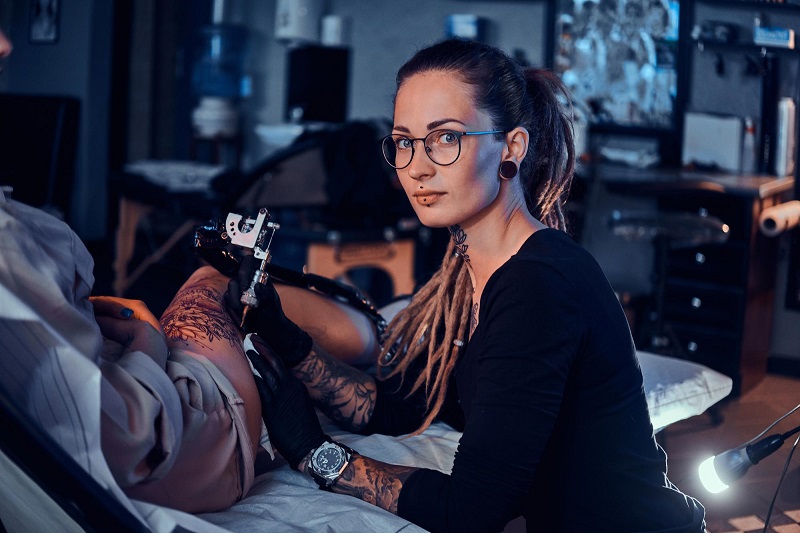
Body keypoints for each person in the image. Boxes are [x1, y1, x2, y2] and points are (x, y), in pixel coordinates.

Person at [233, 38, 706, 532]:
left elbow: (470, 514)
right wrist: (287, 339)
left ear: (511, 147)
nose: (416, 167)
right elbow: (402, 405)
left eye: (445, 138)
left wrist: (319, 455)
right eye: (404, 141)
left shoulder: (537, 286)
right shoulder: (474, 272)